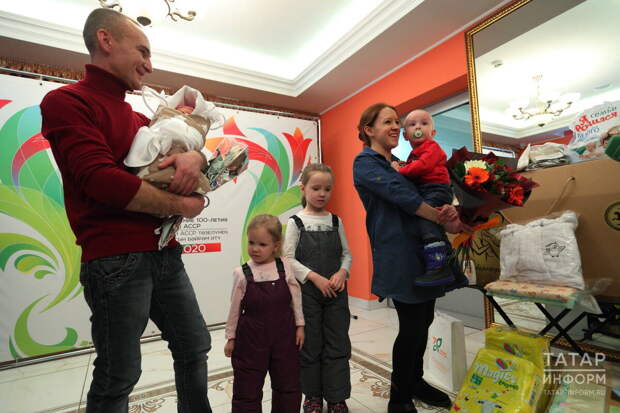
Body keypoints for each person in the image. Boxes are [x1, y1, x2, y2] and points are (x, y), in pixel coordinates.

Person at [39, 8, 212, 413]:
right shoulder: (65, 101)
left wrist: (197, 158)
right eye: (143, 51)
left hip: (165, 252)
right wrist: (182, 205)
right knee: (119, 374)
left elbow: (184, 150)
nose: (149, 66)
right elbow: (100, 180)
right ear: (106, 40)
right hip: (114, 258)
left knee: (195, 347)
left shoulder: (139, 118)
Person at [353, 103, 468, 413]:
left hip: (424, 255)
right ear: (369, 130)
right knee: (412, 327)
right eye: (388, 122)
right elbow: (404, 198)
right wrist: (440, 216)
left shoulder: (403, 163)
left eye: (397, 122)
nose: (396, 127)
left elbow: (428, 194)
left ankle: (415, 381)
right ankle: (400, 398)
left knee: (424, 320)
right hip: (399, 255)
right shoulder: (365, 163)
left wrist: (450, 212)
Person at [282, 163, 353, 413]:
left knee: (337, 344)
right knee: (310, 345)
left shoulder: (336, 221)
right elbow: (288, 259)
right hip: (307, 295)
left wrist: (342, 272)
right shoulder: (296, 222)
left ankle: (337, 397)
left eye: (327, 189)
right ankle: (312, 396)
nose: (322, 193)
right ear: (303, 189)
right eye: (316, 188)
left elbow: (346, 254)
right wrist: (314, 277)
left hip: (336, 295)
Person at [224, 214, 305, 413]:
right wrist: (231, 338)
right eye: (251, 242)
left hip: (284, 336)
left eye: (262, 244)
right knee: (247, 388)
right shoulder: (241, 273)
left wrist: (300, 326)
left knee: (288, 385)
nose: (255, 248)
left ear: (276, 246)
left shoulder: (284, 266)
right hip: (250, 340)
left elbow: (295, 297)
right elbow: (234, 309)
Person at [391, 109, 467, 288]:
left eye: (424, 123)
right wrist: (405, 166)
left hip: (436, 189)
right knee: (434, 225)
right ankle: (455, 273)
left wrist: (400, 171)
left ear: (432, 133)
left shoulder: (431, 147)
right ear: (405, 135)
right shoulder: (414, 154)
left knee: (425, 220)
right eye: (412, 124)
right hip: (428, 190)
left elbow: (422, 167)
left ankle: (438, 266)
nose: (418, 127)